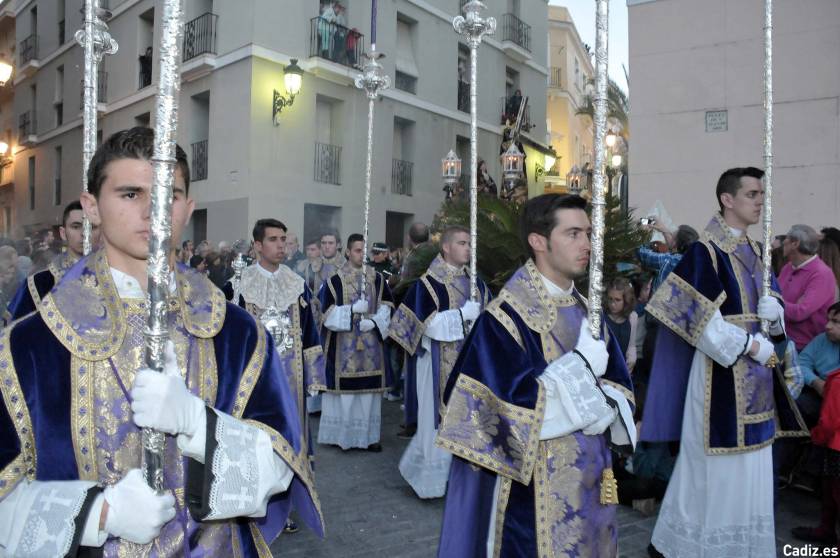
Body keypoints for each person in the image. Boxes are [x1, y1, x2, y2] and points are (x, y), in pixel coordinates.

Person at [0, 127, 322, 555]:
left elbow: (281, 469)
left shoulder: (238, 333)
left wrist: (200, 425)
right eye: (130, 194)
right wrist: (99, 513)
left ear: (188, 208)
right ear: (91, 207)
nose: (152, 211)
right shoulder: (31, 344)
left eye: (168, 195)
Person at [436, 194, 635, 557]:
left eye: (588, 233)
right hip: (534, 497)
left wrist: (605, 405)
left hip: (594, 481)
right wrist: (582, 372)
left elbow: (621, 385)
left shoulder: (588, 312)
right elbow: (499, 420)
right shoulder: (502, 321)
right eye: (573, 233)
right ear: (538, 241)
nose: (587, 245)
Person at [643, 167, 806, 558]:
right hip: (721, 373)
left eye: (762, 194)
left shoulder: (755, 251)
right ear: (727, 199)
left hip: (760, 378)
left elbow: (775, 312)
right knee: (714, 468)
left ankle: (746, 546)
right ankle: (701, 546)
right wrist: (751, 345)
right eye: (752, 194)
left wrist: (777, 315)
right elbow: (694, 320)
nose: (760, 201)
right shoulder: (705, 252)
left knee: (753, 465)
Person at [224, 218, 326, 535]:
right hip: (252, 384)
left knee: (288, 442)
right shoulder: (236, 287)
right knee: (255, 444)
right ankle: (253, 508)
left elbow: (311, 333)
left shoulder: (296, 285)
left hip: (290, 381)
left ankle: (285, 509)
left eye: (283, 239)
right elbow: (226, 340)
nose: (281, 245)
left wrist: (314, 377)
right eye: (273, 239)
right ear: (257, 246)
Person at [390, 225, 491, 499]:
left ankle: (461, 481)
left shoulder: (476, 283)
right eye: (462, 243)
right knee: (434, 421)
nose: (468, 248)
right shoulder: (428, 285)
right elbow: (426, 328)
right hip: (435, 365)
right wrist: (461, 316)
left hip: (470, 366)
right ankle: (431, 483)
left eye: (470, 243)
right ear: (446, 247)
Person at [318, 234, 394, 451]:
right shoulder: (334, 281)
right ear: (348, 252)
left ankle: (368, 438)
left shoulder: (377, 279)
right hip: (344, 345)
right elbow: (325, 315)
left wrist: (376, 322)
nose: (362, 254)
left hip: (371, 345)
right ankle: (343, 437)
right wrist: (350, 310)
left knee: (369, 394)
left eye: (364, 250)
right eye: (357, 250)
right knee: (345, 395)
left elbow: (387, 307)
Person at [793, 302, 840, 546]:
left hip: (835, 440)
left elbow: (831, 421)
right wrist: (816, 383)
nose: (827, 326)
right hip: (831, 436)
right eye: (829, 319)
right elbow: (802, 362)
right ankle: (826, 529)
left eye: (836, 322)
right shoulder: (822, 341)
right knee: (830, 489)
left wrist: (818, 436)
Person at [8, 201, 102, 320]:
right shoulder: (37, 285)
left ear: (101, 232)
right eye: (76, 227)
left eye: (91, 227)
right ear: (63, 233)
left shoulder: (119, 281)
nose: (84, 233)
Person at [779, 224, 837, 351]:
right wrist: (789, 305)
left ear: (795, 244)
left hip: (806, 348)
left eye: (787, 238)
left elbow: (800, 312)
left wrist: (777, 303)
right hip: (782, 342)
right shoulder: (787, 268)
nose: (784, 241)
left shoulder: (821, 274)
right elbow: (775, 295)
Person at [636, 222, 699, 294]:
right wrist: (664, 231)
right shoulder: (693, 264)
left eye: (673, 236)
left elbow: (642, 254)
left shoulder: (672, 261)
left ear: (676, 243)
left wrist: (644, 234)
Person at [604, 277, 638, 372]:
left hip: (621, 369)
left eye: (617, 300)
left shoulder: (632, 317)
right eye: (610, 299)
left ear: (626, 300)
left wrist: (632, 357)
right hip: (603, 369)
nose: (612, 304)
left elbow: (631, 344)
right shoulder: (602, 316)